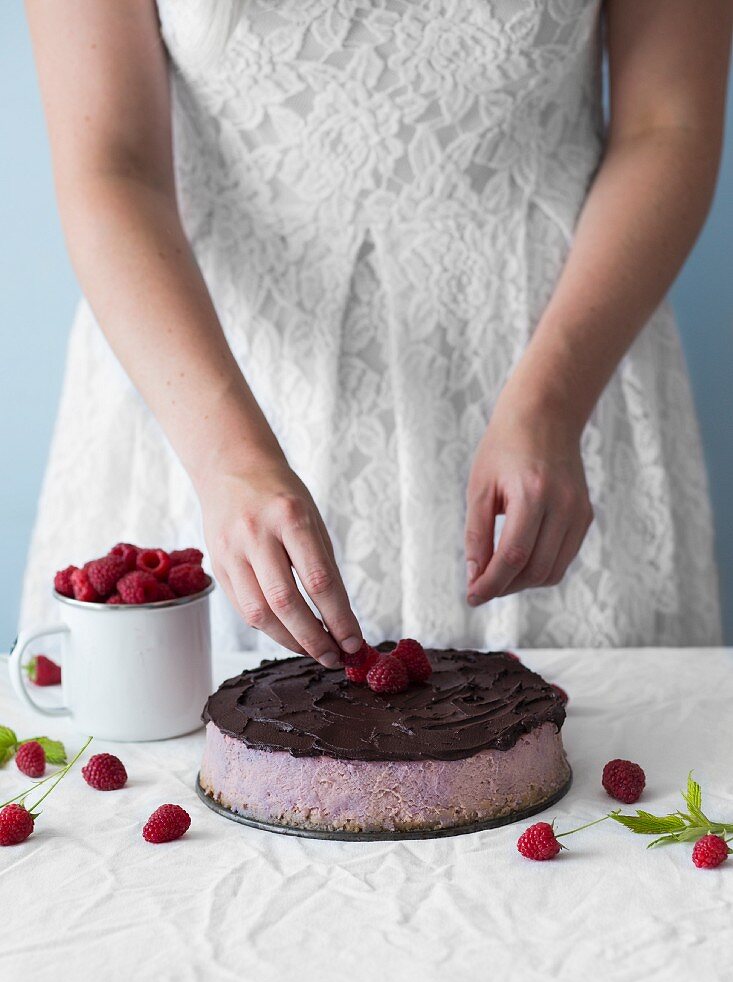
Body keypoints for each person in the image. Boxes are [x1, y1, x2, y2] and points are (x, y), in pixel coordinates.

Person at [21, 0, 730, 661]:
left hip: (560, 372)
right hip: (203, 387)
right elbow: (113, 165)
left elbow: (666, 125)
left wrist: (552, 403)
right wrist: (226, 458)